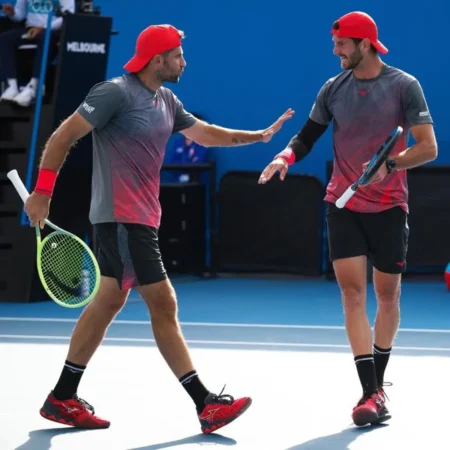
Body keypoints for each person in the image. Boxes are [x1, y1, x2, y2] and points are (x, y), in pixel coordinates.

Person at [24, 24, 294, 432]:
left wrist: (254, 137)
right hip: (121, 216)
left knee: (107, 303)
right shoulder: (113, 92)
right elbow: (63, 137)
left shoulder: (166, 99)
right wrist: (42, 193)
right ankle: (205, 403)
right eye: (178, 55)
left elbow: (203, 134)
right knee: (163, 302)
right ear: (157, 59)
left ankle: (62, 396)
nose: (184, 61)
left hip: (140, 218)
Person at [258, 11, 437, 427]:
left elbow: (428, 148)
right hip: (343, 204)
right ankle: (369, 391)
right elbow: (306, 136)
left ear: (365, 44)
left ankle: (377, 384)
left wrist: (391, 164)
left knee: (388, 297)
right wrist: (284, 156)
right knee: (353, 296)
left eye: (342, 45)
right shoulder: (332, 88)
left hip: (390, 207)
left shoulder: (404, 86)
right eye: (335, 44)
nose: (336, 51)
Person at [0, 0, 74, 107]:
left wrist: (44, 28)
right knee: (4, 39)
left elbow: (68, 15)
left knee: (44, 38)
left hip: (52, 31)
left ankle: (33, 87)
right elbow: (20, 14)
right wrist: (12, 13)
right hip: (31, 30)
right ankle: (12, 86)